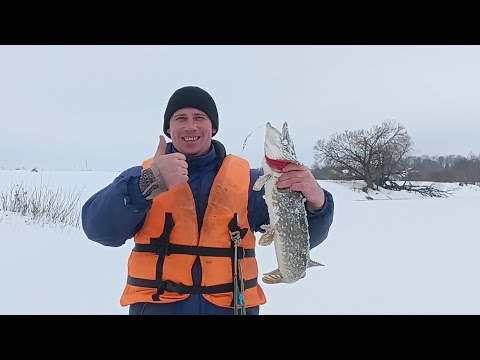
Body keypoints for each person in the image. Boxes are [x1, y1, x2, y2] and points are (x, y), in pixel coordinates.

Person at [82, 85, 334, 315]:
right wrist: (149, 182)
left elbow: (301, 240)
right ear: (168, 129)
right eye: (180, 118)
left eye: (199, 118)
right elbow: (98, 229)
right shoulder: (141, 176)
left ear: (213, 127)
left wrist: (317, 204)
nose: (190, 126)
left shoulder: (250, 182)